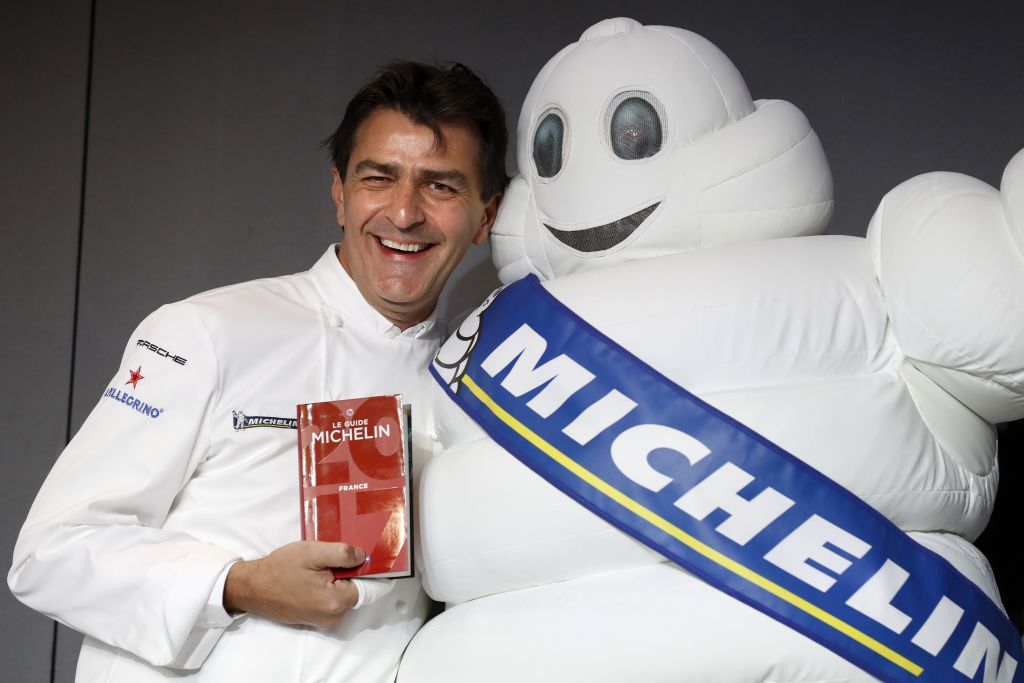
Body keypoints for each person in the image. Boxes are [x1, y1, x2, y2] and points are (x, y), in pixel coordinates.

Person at [8, 60, 508, 683]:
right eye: (378, 178)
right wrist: (238, 585)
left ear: (486, 216)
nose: (404, 213)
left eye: (441, 187)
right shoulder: (207, 333)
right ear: (340, 193)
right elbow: (48, 554)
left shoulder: (479, 387)